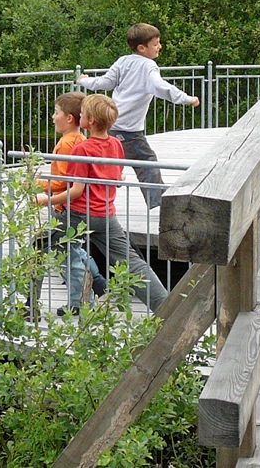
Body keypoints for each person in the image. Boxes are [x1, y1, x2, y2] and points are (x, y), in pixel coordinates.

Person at [37, 94, 167, 314]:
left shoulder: (82, 149)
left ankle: (30, 307)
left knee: (38, 250)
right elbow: (116, 180)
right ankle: (166, 308)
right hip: (106, 215)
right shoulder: (116, 144)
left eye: (83, 114)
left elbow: (76, 191)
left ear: (91, 121)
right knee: (133, 263)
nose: (80, 115)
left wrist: (44, 200)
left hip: (78, 215)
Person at [78, 23, 199, 208]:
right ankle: (159, 204)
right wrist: (186, 99)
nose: (160, 47)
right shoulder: (149, 66)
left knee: (110, 163)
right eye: (156, 44)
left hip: (110, 123)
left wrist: (85, 81)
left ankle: (88, 196)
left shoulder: (123, 61)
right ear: (142, 48)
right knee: (146, 162)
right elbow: (161, 87)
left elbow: (105, 82)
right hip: (128, 129)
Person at [32, 92, 107, 311]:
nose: (53, 117)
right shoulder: (80, 140)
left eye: (56, 113)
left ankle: (78, 302)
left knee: (67, 255)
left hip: (64, 209)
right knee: (75, 250)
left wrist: (38, 185)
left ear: (69, 119)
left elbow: (63, 182)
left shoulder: (67, 144)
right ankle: (97, 284)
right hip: (76, 208)